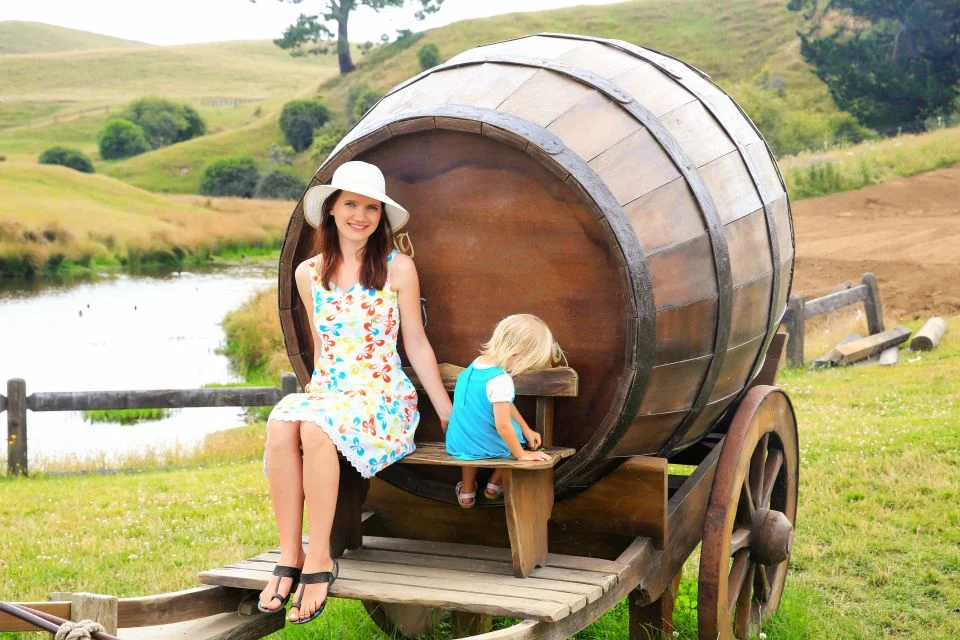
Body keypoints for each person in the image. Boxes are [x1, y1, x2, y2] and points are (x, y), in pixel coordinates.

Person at [258, 161, 452, 624]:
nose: (360, 216)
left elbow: (416, 343)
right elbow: (321, 344)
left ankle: (320, 557)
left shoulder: (398, 268)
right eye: (351, 204)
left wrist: (445, 410)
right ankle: (290, 554)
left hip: (382, 397)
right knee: (282, 422)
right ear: (331, 209)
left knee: (316, 427)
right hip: (332, 391)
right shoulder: (308, 273)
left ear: (381, 216)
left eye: (371, 208)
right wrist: (317, 392)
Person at [444, 314, 562, 508]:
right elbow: (503, 426)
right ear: (517, 354)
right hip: (487, 445)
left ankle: (467, 492)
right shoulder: (501, 380)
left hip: (459, 443)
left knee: (486, 431)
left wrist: (526, 428)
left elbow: (503, 404)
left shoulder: (477, 363)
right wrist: (521, 455)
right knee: (516, 440)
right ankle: (495, 483)